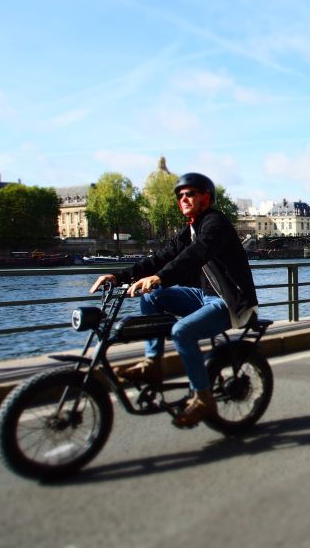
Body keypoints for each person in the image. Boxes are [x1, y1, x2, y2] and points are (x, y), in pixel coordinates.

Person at [90, 172, 258, 428]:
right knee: (152, 297)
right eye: (180, 196)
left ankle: (203, 398)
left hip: (230, 301)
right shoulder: (190, 229)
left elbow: (195, 254)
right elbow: (161, 257)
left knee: (181, 332)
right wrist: (118, 276)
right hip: (203, 296)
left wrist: (160, 277)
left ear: (206, 197)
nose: (184, 199)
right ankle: (152, 362)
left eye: (190, 194)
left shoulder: (216, 224)